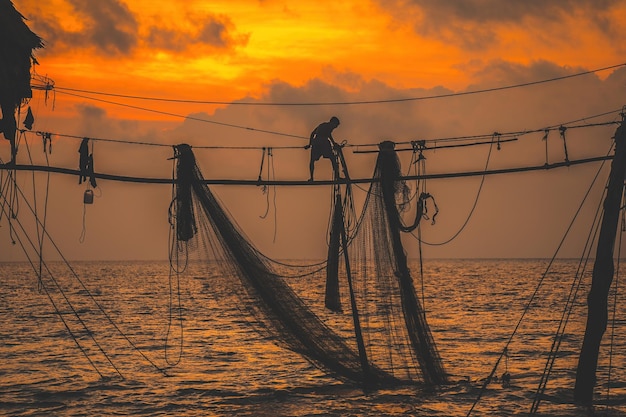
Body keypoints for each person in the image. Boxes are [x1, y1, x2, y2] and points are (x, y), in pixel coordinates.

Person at [305, 116, 340, 181]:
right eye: (335, 125)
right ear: (332, 123)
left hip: (316, 143)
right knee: (332, 158)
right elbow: (329, 135)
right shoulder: (328, 126)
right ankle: (337, 177)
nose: (335, 127)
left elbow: (313, 133)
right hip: (322, 143)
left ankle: (311, 178)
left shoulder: (323, 125)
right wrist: (334, 143)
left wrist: (310, 144)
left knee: (312, 160)